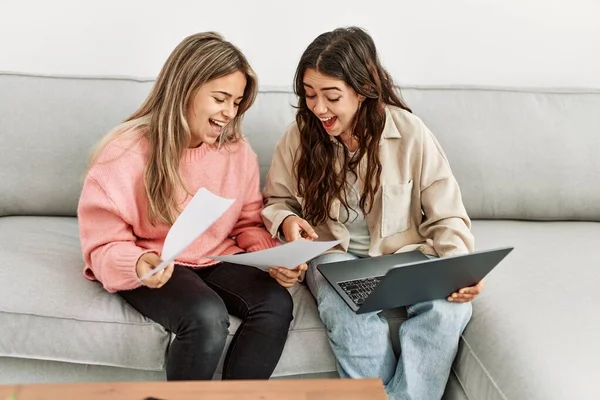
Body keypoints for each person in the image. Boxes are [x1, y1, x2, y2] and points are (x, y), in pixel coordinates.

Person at [262, 27, 483, 399]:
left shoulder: (411, 133)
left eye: (331, 96)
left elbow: (447, 217)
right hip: (334, 256)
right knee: (346, 306)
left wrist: (459, 267)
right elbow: (277, 201)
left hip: (404, 257)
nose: (318, 108)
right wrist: (287, 221)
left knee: (448, 311)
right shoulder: (299, 137)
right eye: (310, 95)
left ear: (363, 90)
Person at [78, 32, 304, 381]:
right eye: (221, 99)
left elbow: (246, 223)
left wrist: (273, 258)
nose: (229, 113)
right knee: (205, 315)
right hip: (155, 262)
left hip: (215, 257)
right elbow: (102, 245)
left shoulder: (236, 151)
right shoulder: (124, 153)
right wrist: (138, 263)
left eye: (237, 102)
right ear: (186, 89)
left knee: (276, 303)